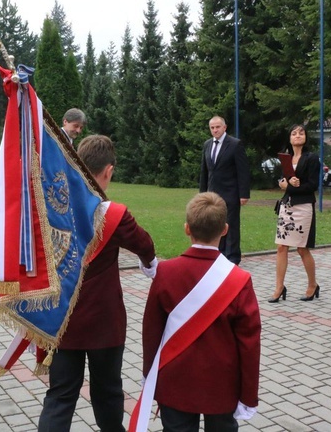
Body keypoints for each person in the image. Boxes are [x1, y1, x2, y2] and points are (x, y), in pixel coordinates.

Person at [38, 134, 158, 432]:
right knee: (107, 393)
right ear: (109, 171)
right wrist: (150, 266)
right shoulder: (114, 215)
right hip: (105, 323)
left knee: (60, 396)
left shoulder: (54, 207)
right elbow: (145, 246)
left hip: (62, 318)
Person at [142, 192, 261, 431]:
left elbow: (151, 330)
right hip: (222, 384)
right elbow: (249, 343)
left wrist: (150, 376)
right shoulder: (239, 279)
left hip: (175, 379)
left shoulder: (165, 272)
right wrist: (248, 395)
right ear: (225, 229)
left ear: (187, 228)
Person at [269, 124, 321, 303]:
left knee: (301, 248)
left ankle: (312, 285)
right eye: (294, 133)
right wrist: (284, 183)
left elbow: (313, 185)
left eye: (301, 133)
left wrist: (290, 186)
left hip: (303, 207)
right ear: (289, 138)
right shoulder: (285, 158)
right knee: (281, 247)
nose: (297, 135)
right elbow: (282, 180)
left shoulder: (312, 158)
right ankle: (279, 287)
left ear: (305, 137)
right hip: (286, 206)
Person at [200, 115, 250, 264]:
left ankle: (233, 257)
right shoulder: (207, 145)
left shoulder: (235, 144)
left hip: (231, 193)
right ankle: (218, 255)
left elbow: (243, 171)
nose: (215, 130)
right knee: (215, 225)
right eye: (212, 128)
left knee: (231, 226)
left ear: (224, 127)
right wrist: (202, 194)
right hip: (212, 194)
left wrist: (244, 194)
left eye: (218, 127)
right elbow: (205, 171)